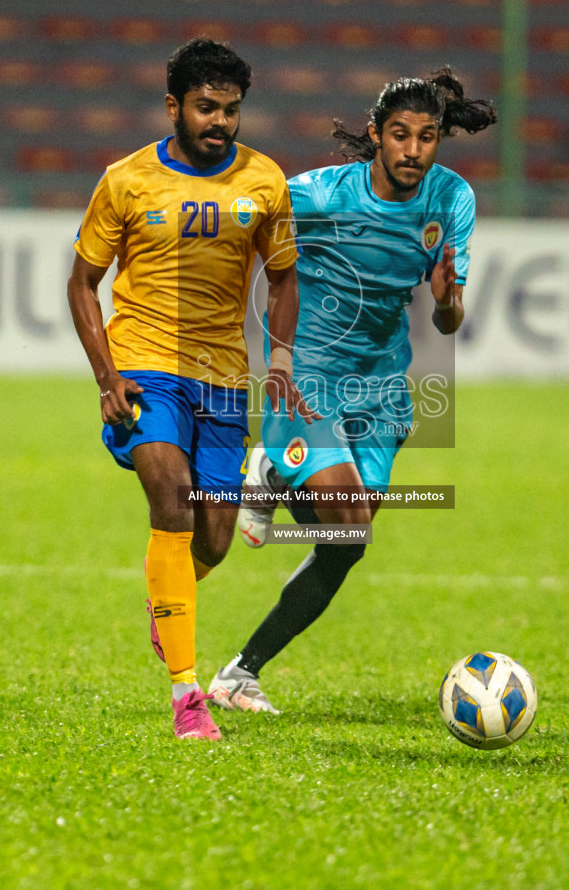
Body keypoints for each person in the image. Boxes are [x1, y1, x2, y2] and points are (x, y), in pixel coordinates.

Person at [206, 68, 497, 714]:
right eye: (399, 135)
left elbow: (449, 318)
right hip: (306, 375)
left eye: (427, 137)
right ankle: (273, 466)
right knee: (344, 520)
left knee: (348, 544)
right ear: (376, 135)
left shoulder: (451, 201)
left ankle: (238, 675)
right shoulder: (319, 195)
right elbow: (245, 226)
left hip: (381, 384)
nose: (413, 150)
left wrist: (449, 301)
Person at [67, 37, 314, 740]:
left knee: (213, 536)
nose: (220, 122)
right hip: (145, 364)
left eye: (231, 111)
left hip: (224, 379)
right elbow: (82, 282)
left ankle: (167, 599)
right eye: (206, 108)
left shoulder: (264, 182)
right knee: (171, 499)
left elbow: (286, 273)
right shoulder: (127, 180)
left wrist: (283, 358)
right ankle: (187, 697)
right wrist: (107, 377)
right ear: (174, 106)